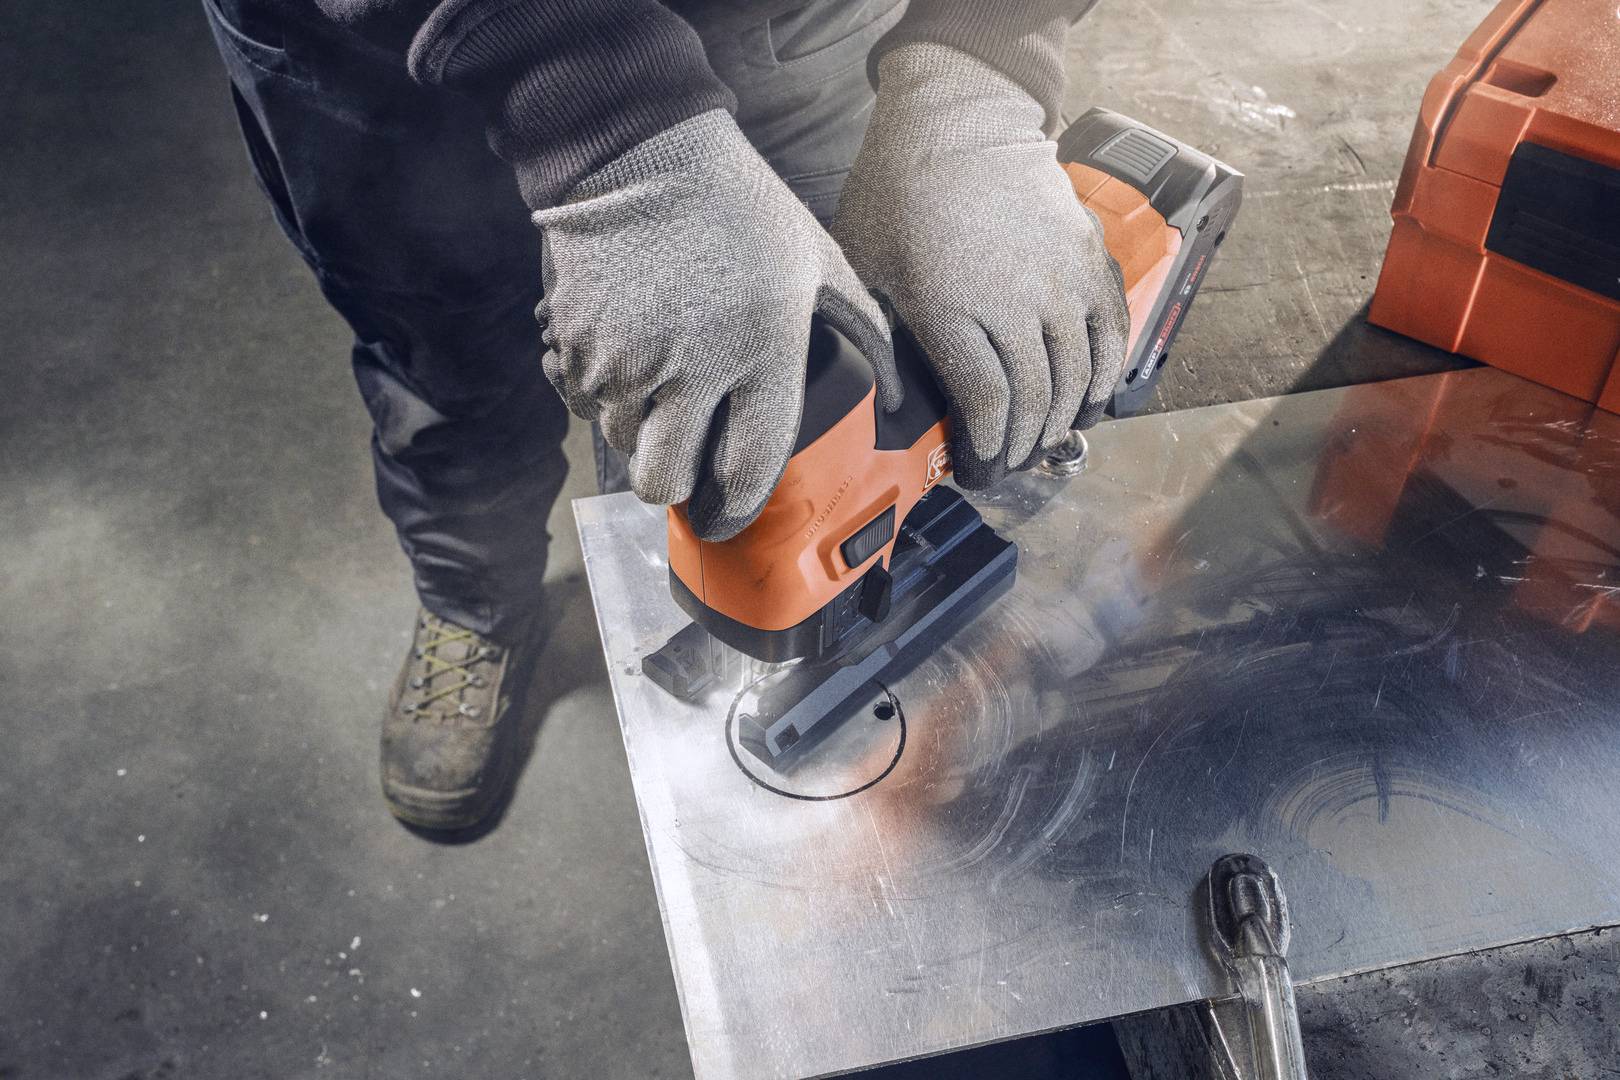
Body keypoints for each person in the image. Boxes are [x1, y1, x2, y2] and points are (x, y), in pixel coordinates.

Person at [202, 0, 1130, 831]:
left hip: (769, 30)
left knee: (777, 409)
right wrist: (602, 123)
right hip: (368, 60)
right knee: (442, 382)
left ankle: (737, 611)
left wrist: (984, 63)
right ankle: (475, 605)